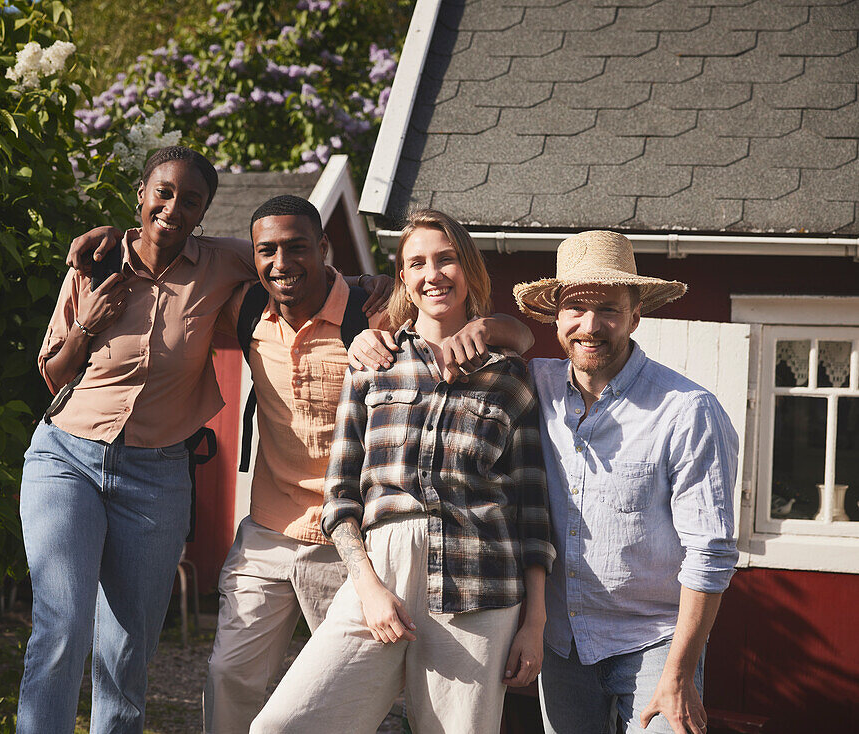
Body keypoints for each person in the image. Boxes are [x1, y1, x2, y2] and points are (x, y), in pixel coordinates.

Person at [203, 196, 535, 734]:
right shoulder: (375, 360)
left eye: (446, 258)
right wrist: (370, 584)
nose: (433, 274)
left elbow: (530, 509)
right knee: (280, 720)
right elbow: (344, 488)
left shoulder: (507, 376)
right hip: (361, 554)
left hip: (478, 577)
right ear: (402, 276)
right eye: (418, 263)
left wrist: (534, 621)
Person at [18, 145, 258, 734]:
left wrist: (372, 285)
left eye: (191, 200)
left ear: (204, 213)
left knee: (127, 647)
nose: (174, 207)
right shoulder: (95, 262)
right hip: (66, 457)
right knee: (63, 623)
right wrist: (87, 322)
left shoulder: (224, 263)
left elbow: (290, 258)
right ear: (142, 196)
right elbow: (53, 371)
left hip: (158, 475)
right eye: (164, 192)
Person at [511, 230, 739, 734]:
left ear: (636, 315)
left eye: (609, 310)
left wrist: (679, 675)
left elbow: (712, 553)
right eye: (575, 307)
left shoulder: (686, 412)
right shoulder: (534, 385)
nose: (590, 326)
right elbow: (472, 341)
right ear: (555, 315)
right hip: (562, 641)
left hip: (656, 642)